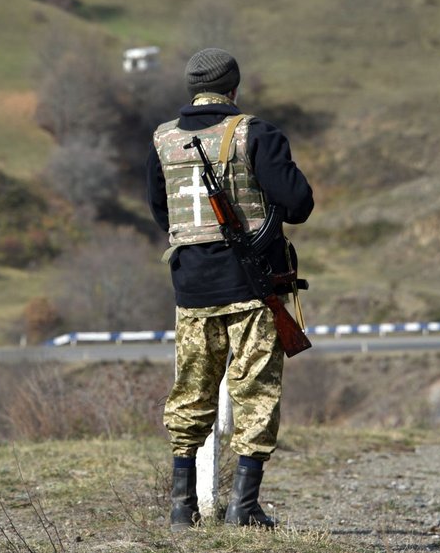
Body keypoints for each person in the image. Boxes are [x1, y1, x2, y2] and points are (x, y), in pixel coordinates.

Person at [145, 48, 314, 531]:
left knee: (190, 393)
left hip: (191, 289)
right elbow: (299, 204)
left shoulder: (162, 140)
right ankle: (244, 505)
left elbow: (164, 213)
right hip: (252, 289)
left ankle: (182, 508)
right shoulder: (256, 134)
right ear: (234, 88)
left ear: (192, 89)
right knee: (256, 393)